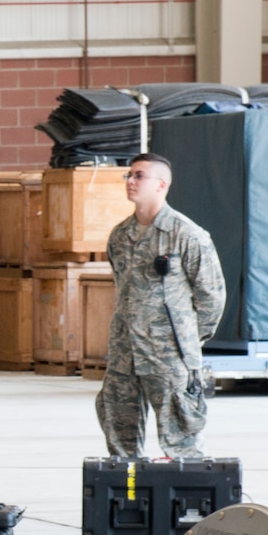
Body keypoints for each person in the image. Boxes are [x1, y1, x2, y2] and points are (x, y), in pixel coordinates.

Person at [98, 152, 227, 459]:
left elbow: (211, 297)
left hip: (169, 357)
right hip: (124, 356)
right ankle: (128, 498)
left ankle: (189, 503)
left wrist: (187, 341)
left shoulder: (187, 235)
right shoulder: (120, 236)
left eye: (139, 175)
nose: (130, 181)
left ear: (161, 184)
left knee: (181, 439)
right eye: (129, 175)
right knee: (119, 439)